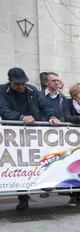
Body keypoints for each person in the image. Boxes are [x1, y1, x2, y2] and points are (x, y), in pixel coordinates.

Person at [0, 67, 61, 210]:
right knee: (19, 164)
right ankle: (23, 196)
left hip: (34, 132)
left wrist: (52, 116)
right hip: (14, 133)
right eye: (17, 84)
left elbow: (44, 106)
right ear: (10, 82)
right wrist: (20, 117)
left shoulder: (32, 90)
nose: (21, 87)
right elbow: (3, 109)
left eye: (23, 83)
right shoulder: (2, 90)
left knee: (36, 162)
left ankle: (41, 187)